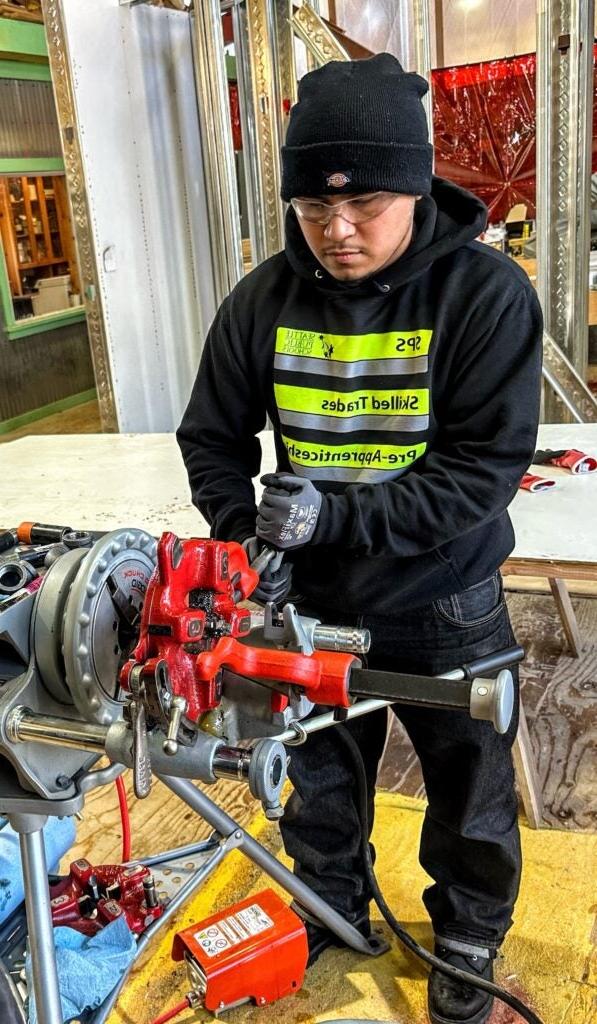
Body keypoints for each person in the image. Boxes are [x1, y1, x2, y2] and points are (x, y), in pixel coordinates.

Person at [177, 53, 543, 1024]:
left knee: (468, 771)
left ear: (417, 189)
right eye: (311, 208)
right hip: (311, 592)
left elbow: (481, 473)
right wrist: (240, 535)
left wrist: (336, 515)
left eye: (366, 203)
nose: (336, 231)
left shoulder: (486, 298)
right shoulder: (261, 301)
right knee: (320, 767)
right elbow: (209, 436)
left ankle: (467, 939)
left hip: (445, 591)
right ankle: (331, 898)